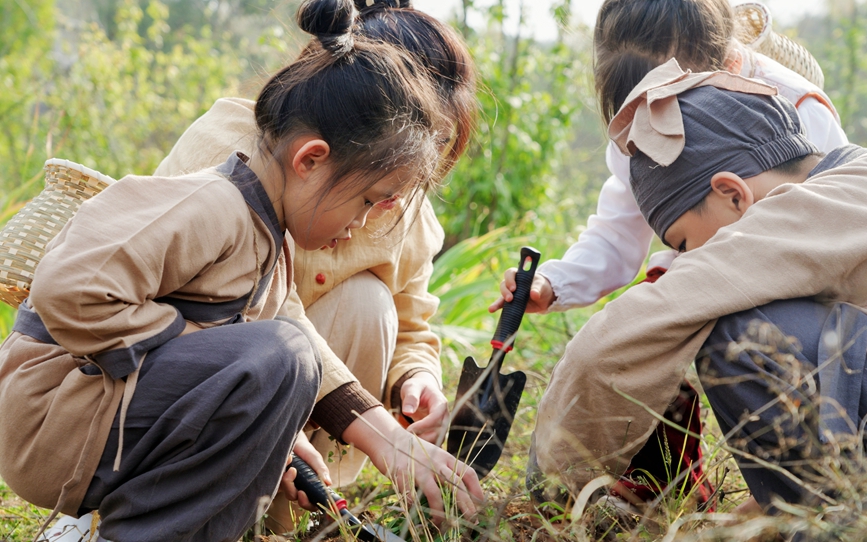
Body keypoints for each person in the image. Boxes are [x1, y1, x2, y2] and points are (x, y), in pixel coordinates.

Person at [0, 1, 482, 540]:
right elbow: (69, 286)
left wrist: (300, 426)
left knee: (286, 360)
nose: (371, 220)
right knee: (283, 356)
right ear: (312, 159)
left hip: (113, 412)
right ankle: (112, 526)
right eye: (370, 201)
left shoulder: (271, 231)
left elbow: (287, 334)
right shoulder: (215, 202)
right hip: (56, 423)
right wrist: (206, 352)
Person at [490, 0, 847, 506]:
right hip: (706, 251)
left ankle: (800, 479)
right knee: (648, 328)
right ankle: (665, 482)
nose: (659, 108)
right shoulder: (638, 123)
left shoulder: (798, 105)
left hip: (800, 272)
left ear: (725, 64)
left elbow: (835, 221)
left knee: (749, 339)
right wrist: (556, 282)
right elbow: (618, 232)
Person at [146, 0, 478, 534]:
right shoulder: (237, 162)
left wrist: (416, 377)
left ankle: (282, 514)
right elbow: (250, 313)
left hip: (289, 391)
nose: (418, 166)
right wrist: (365, 432)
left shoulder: (404, 205)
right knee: (279, 346)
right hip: (184, 368)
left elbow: (413, 320)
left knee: (367, 305)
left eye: (436, 146)